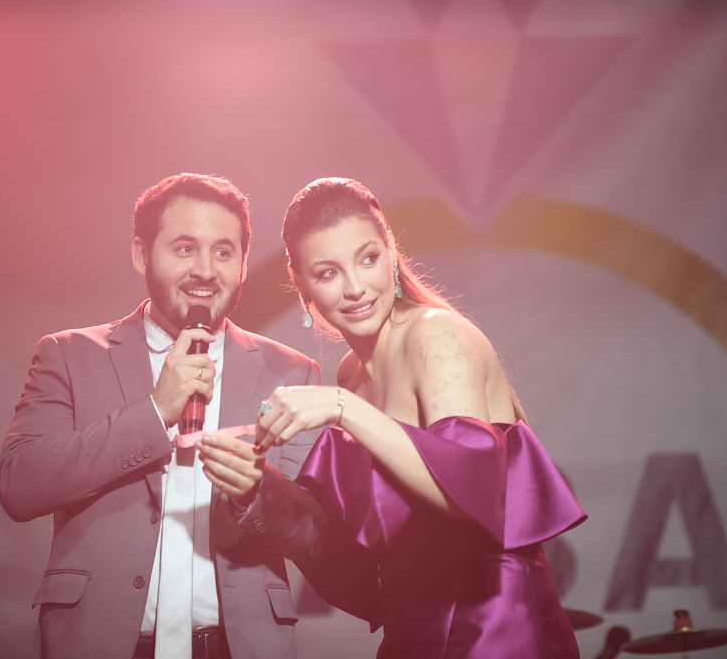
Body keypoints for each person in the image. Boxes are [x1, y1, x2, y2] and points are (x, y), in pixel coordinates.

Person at [249, 177, 588, 658]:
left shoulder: (436, 336)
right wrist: (255, 483)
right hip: (409, 629)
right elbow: (355, 559)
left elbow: (469, 497)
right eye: (327, 273)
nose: (355, 288)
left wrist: (343, 408)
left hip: (494, 625)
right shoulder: (350, 373)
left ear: (391, 250)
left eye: (368, 258)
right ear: (300, 282)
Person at [0, 173, 326, 659]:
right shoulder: (69, 354)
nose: (205, 271)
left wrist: (259, 490)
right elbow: (19, 485)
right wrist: (153, 412)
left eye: (223, 251)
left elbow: (317, 535)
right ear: (141, 254)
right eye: (185, 249)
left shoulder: (291, 372)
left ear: (242, 264)